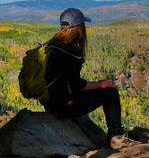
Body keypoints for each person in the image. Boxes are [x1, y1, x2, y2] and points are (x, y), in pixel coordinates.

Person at [43, 8, 133, 148]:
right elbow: (76, 85)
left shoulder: (52, 45)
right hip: (63, 106)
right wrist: (100, 84)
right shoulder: (70, 51)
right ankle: (116, 137)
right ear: (78, 27)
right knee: (110, 92)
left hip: (50, 103)